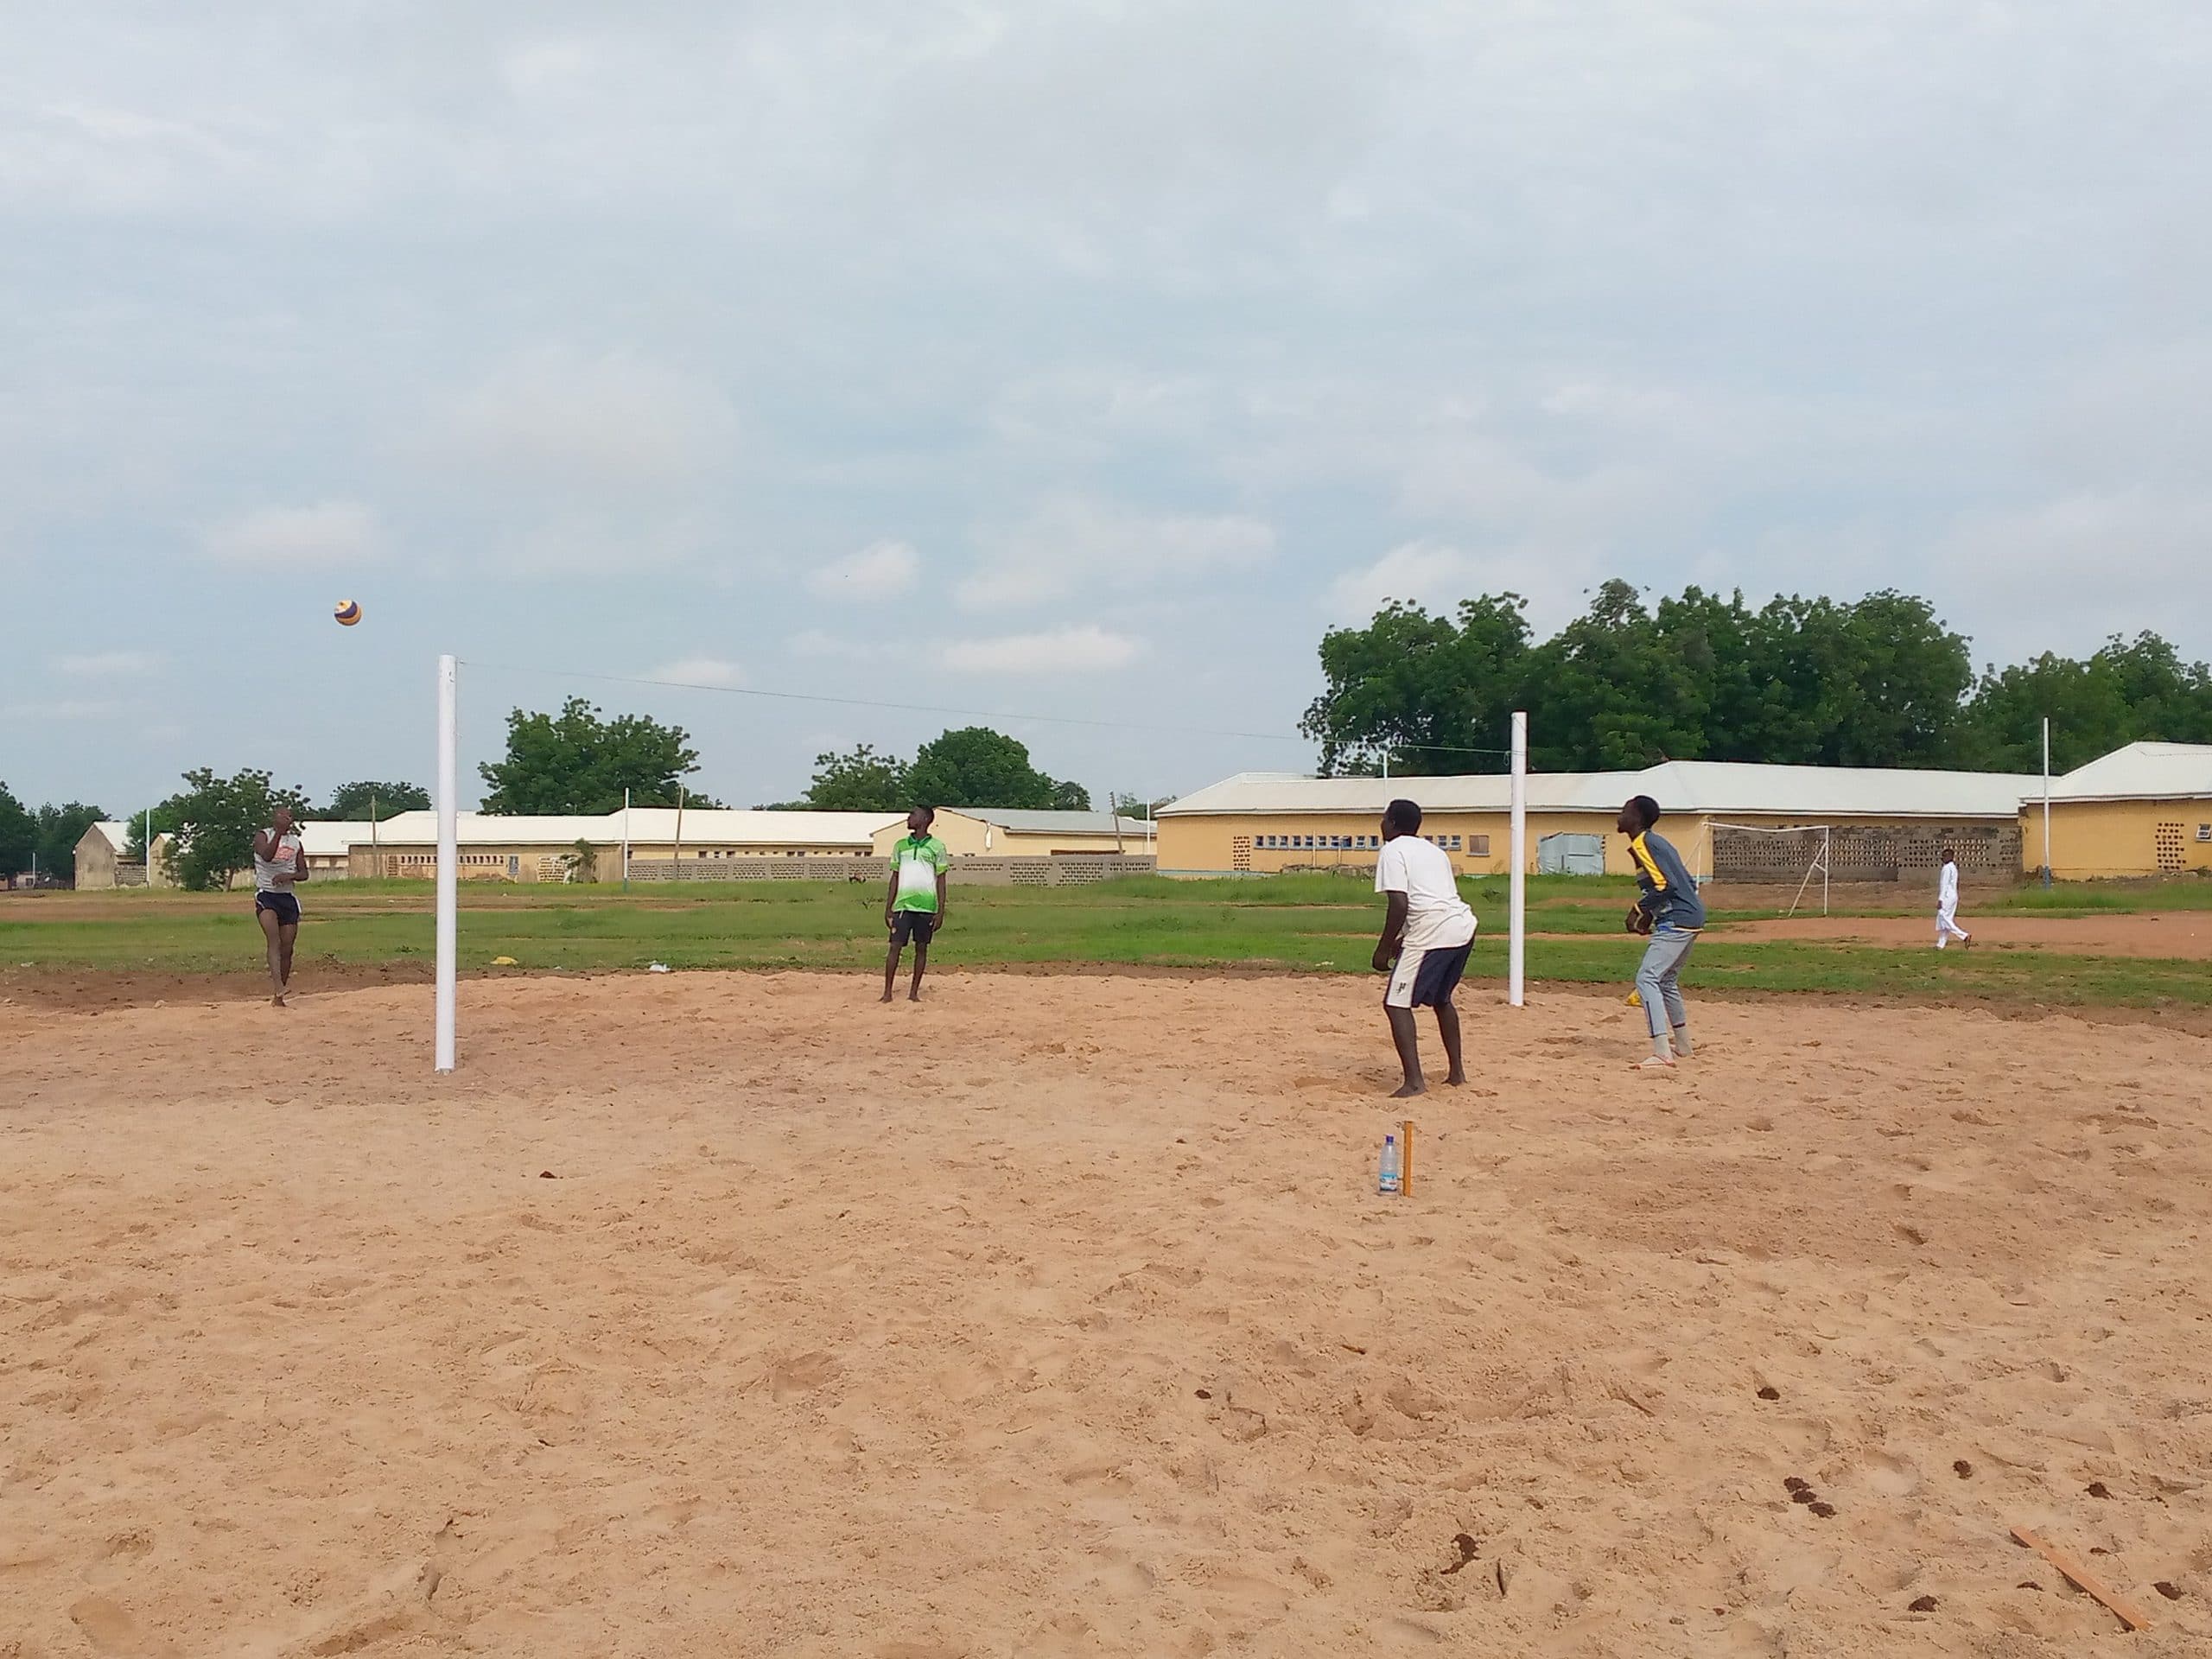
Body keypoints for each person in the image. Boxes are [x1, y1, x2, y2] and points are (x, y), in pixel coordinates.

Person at [1370, 798, 1477, 1098]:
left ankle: (1414, 1082)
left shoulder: (1392, 850)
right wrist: (1401, 940)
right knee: (1442, 999)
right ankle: (1456, 1073)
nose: (1381, 824)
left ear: (1391, 824)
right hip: (1463, 925)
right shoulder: (1434, 851)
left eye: (1383, 818)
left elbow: (1400, 902)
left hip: (1432, 930)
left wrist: (1384, 948)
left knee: (1396, 1003)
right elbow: (1433, 898)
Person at [1620, 794, 1704, 1069]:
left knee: (1647, 979)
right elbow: (1687, 882)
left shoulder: (1643, 842)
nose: (1619, 816)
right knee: (1666, 982)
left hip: (1678, 919)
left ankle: (1661, 1052)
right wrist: (1651, 918)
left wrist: (1638, 910)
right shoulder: (1660, 843)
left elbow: (1664, 885)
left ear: (1637, 818)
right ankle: (1683, 1046)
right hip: (1691, 916)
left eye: (1625, 811)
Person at [881, 805, 950, 1003]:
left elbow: (941, 880)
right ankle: (887, 992)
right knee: (894, 947)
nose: (908, 818)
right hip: (902, 905)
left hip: (926, 907)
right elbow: (894, 877)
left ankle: (913, 992)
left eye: (913, 814)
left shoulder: (937, 847)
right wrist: (889, 907)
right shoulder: (900, 846)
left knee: (921, 948)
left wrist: (940, 911)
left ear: (926, 819)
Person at [252, 808, 308, 1007]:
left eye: (289, 816)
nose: (286, 818)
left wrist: (289, 876)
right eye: (282, 816)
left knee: (287, 948)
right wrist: (278, 833)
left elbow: (304, 873)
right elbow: (266, 855)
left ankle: (279, 996)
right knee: (273, 941)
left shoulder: (295, 842)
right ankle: (278, 986)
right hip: (267, 895)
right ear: (274, 818)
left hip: (287, 897)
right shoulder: (263, 836)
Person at [1935, 847, 1973, 950]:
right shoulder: (1953, 868)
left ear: (1951, 857)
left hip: (1947, 896)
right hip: (1953, 896)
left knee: (1944, 918)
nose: (1943, 858)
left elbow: (1944, 885)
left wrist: (1940, 899)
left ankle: (1964, 936)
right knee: (1946, 920)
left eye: (1945, 856)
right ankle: (1940, 945)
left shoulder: (1947, 868)